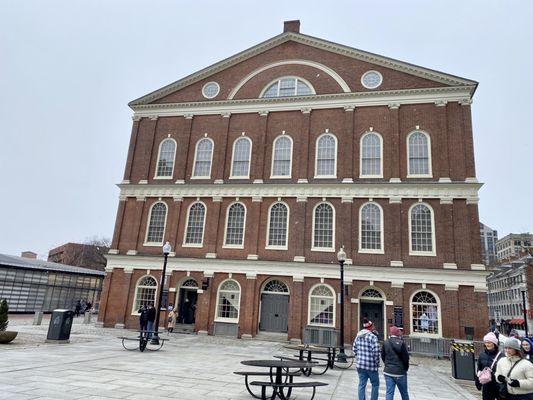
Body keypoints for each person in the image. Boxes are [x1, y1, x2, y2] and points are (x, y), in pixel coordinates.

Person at [353, 318, 380, 400]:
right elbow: (376, 352)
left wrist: (359, 358)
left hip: (360, 365)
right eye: (373, 326)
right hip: (371, 366)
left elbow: (354, 349)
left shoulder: (358, 336)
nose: (374, 327)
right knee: (375, 384)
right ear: (370, 327)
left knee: (361, 384)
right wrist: (377, 362)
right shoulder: (373, 337)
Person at [381, 326, 410, 400]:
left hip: (388, 372)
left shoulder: (385, 342)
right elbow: (406, 358)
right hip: (400, 372)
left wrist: (387, 364)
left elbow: (383, 356)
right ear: (397, 333)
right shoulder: (401, 343)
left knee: (389, 393)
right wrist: (405, 368)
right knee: (404, 393)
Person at [475, 332, 503, 400]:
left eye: (490, 342)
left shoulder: (501, 356)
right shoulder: (482, 355)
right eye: (486, 342)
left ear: (495, 344)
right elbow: (479, 369)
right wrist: (477, 381)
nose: (487, 344)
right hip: (486, 385)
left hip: (498, 385)